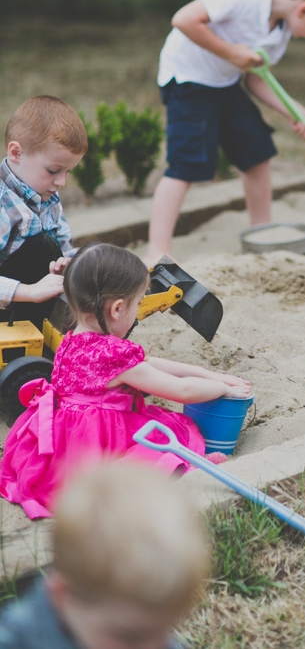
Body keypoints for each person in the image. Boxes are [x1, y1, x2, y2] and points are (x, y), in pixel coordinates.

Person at [0, 242, 251, 519]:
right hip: (96, 444)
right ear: (118, 309)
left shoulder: (71, 341)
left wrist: (211, 374)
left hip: (63, 441)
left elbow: (146, 366)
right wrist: (223, 388)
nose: (138, 311)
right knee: (162, 444)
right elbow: (182, 391)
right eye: (138, 303)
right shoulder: (112, 355)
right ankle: (192, 466)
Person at [146, 0, 305, 265]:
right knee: (186, 166)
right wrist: (231, 53)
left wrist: (292, 110)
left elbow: (255, 79)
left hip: (226, 83)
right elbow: (184, 20)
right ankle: (157, 250)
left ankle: (263, 233)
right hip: (188, 82)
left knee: (257, 155)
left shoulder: (280, 28)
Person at [0, 460, 210, 649]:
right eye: (129, 637)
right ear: (64, 597)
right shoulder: (16, 639)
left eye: (164, 629)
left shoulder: (143, 633)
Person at [0, 95, 88, 329]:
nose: (61, 182)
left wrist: (66, 263)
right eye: (53, 170)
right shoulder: (2, 206)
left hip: (30, 303)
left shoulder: (48, 197)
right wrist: (28, 291)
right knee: (41, 248)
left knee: (74, 255)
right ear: (16, 153)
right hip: (12, 302)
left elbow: (65, 246)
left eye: (68, 172)